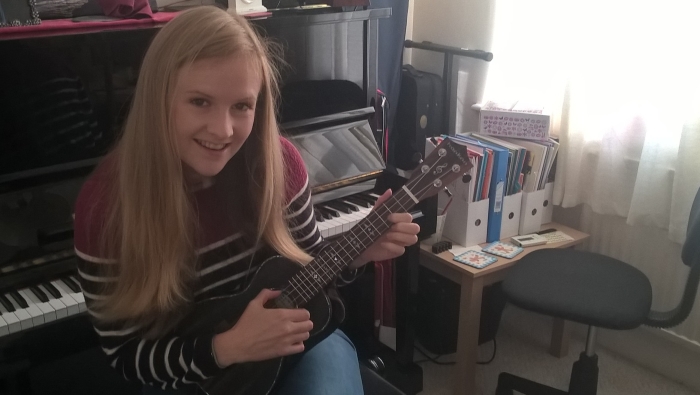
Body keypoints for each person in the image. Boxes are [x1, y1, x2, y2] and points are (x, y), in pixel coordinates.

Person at [73, 6, 420, 395]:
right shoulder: (106, 207)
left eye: (241, 106)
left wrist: (356, 253)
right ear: (159, 98)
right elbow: (127, 357)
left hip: (299, 349)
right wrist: (227, 348)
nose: (223, 130)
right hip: (196, 378)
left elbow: (310, 278)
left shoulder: (280, 165)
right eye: (200, 102)